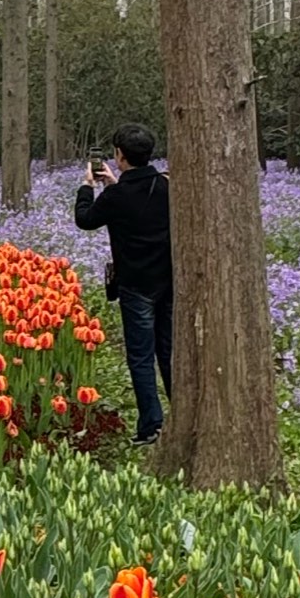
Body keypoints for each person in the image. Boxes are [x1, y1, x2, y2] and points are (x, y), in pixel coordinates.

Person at [74, 123, 173, 444]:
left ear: (119, 156)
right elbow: (143, 201)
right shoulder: (167, 185)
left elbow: (85, 219)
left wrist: (88, 187)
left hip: (135, 285)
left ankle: (151, 426)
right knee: (169, 350)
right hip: (168, 281)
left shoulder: (116, 196)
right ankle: (182, 414)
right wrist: (116, 185)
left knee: (141, 356)